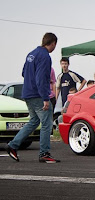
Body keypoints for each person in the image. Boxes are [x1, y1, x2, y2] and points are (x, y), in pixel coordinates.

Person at [6, 32, 60, 163]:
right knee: (47, 123)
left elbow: (24, 73)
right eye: (55, 45)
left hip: (27, 93)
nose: (54, 47)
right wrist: (45, 98)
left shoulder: (31, 54)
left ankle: (13, 145)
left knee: (34, 121)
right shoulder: (45, 57)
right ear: (52, 43)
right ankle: (44, 153)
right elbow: (41, 79)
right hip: (38, 95)